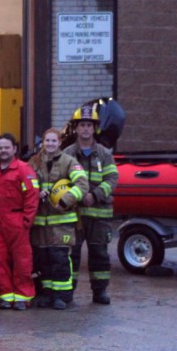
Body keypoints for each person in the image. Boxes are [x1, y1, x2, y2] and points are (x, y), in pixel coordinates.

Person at [62, 103, 119, 305]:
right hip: (74, 215)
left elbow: (112, 180)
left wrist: (94, 196)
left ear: (95, 128)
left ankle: (100, 292)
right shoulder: (67, 153)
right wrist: (75, 197)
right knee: (72, 255)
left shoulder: (104, 154)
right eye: (82, 125)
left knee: (100, 255)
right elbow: (61, 181)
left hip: (99, 216)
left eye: (89, 125)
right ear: (75, 128)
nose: (85, 129)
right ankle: (68, 292)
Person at [29, 127, 88, 310]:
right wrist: (37, 193)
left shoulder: (69, 162)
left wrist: (65, 201)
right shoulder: (34, 162)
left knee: (60, 259)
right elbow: (25, 183)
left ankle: (61, 296)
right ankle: (46, 294)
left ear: (60, 142)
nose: (50, 144)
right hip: (40, 223)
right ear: (43, 143)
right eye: (47, 141)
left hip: (61, 222)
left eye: (54, 141)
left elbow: (82, 184)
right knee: (43, 260)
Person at [0, 133, 39, 310]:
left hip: (17, 220)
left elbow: (32, 195)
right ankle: (6, 296)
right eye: (0, 148)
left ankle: (22, 297)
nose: (3, 151)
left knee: (22, 261)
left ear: (14, 149)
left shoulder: (24, 169)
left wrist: (26, 220)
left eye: (7, 147)